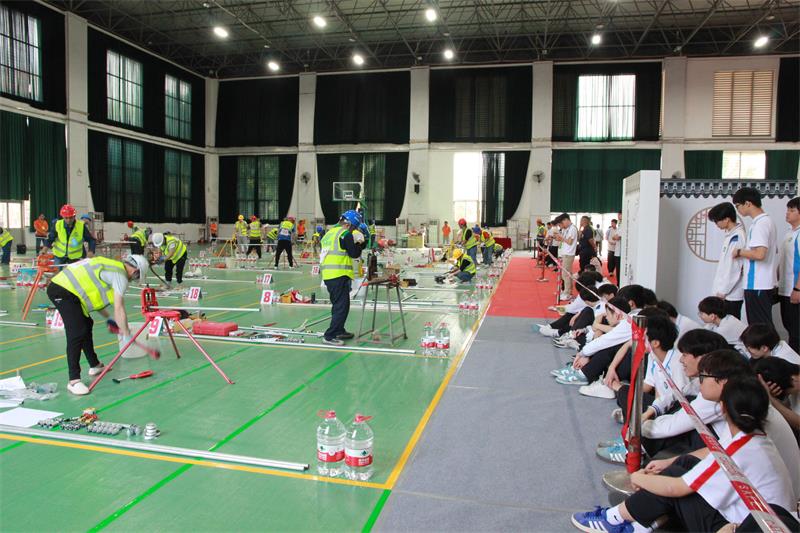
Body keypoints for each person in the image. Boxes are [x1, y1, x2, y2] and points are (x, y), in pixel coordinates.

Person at [571, 374, 795, 533]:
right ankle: (642, 521)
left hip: (739, 527)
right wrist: (669, 462)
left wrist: (638, 477)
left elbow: (676, 487)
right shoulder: (754, 436)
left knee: (674, 481)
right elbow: (713, 452)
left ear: (723, 407)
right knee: (685, 462)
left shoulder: (740, 450)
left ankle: (614, 519)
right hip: (755, 519)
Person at [47, 254, 149, 395]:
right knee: (76, 332)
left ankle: (95, 365)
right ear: (135, 271)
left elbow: (97, 297)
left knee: (87, 323)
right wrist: (126, 334)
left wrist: (109, 318)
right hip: (62, 291)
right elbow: (119, 307)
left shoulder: (111, 266)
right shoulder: (120, 275)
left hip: (67, 290)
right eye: (136, 277)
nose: (133, 279)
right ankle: (73, 381)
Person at [732, 187, 778, 325]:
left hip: (758, 283)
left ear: (748, 203)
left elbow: (760, 254)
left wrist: (739, 252)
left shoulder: (761, 223)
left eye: (738, 206)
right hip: (759, 283)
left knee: (760, 327)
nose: (737, 210)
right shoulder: (762, 222)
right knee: (759, 326)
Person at [320, 210, 364, 346]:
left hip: (328, 275)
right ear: (349, 224)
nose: (353, 230)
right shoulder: (345, 234)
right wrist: (360, 243)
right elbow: (354, 254)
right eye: (354, 227)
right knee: (342, 306)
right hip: (338, 274)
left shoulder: (329, 233)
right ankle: (330, 336)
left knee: (339, 305)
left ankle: (339, 330)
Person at [707, 202, 746, 319]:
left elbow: (734, 268)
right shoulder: (730, 235)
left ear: (727, 219)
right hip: (725, 293)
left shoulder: (737, 237)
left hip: (730, 294)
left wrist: (723, 291)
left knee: (730, 324)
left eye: (716, 221)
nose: (716, 224)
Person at [778, 196, 799, 352]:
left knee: (797, 331)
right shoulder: (789, 234)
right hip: (784, 290)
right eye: (787, 210)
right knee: (790, 327)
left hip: (795, 289)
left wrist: (798, 289)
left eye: (792, 210)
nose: (787, 213)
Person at [552, 214, 578, 300]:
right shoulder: (566, 229)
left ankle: (567, 293)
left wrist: (561, 238)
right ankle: (567, 291)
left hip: (569, 254)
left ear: (566, 220)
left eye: (561, 223)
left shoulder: (572, 229)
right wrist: (556, 237)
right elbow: (562, 240)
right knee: (567, 274)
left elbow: (570, 242)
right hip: (565, 253)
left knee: (565, 274)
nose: (561, 226)